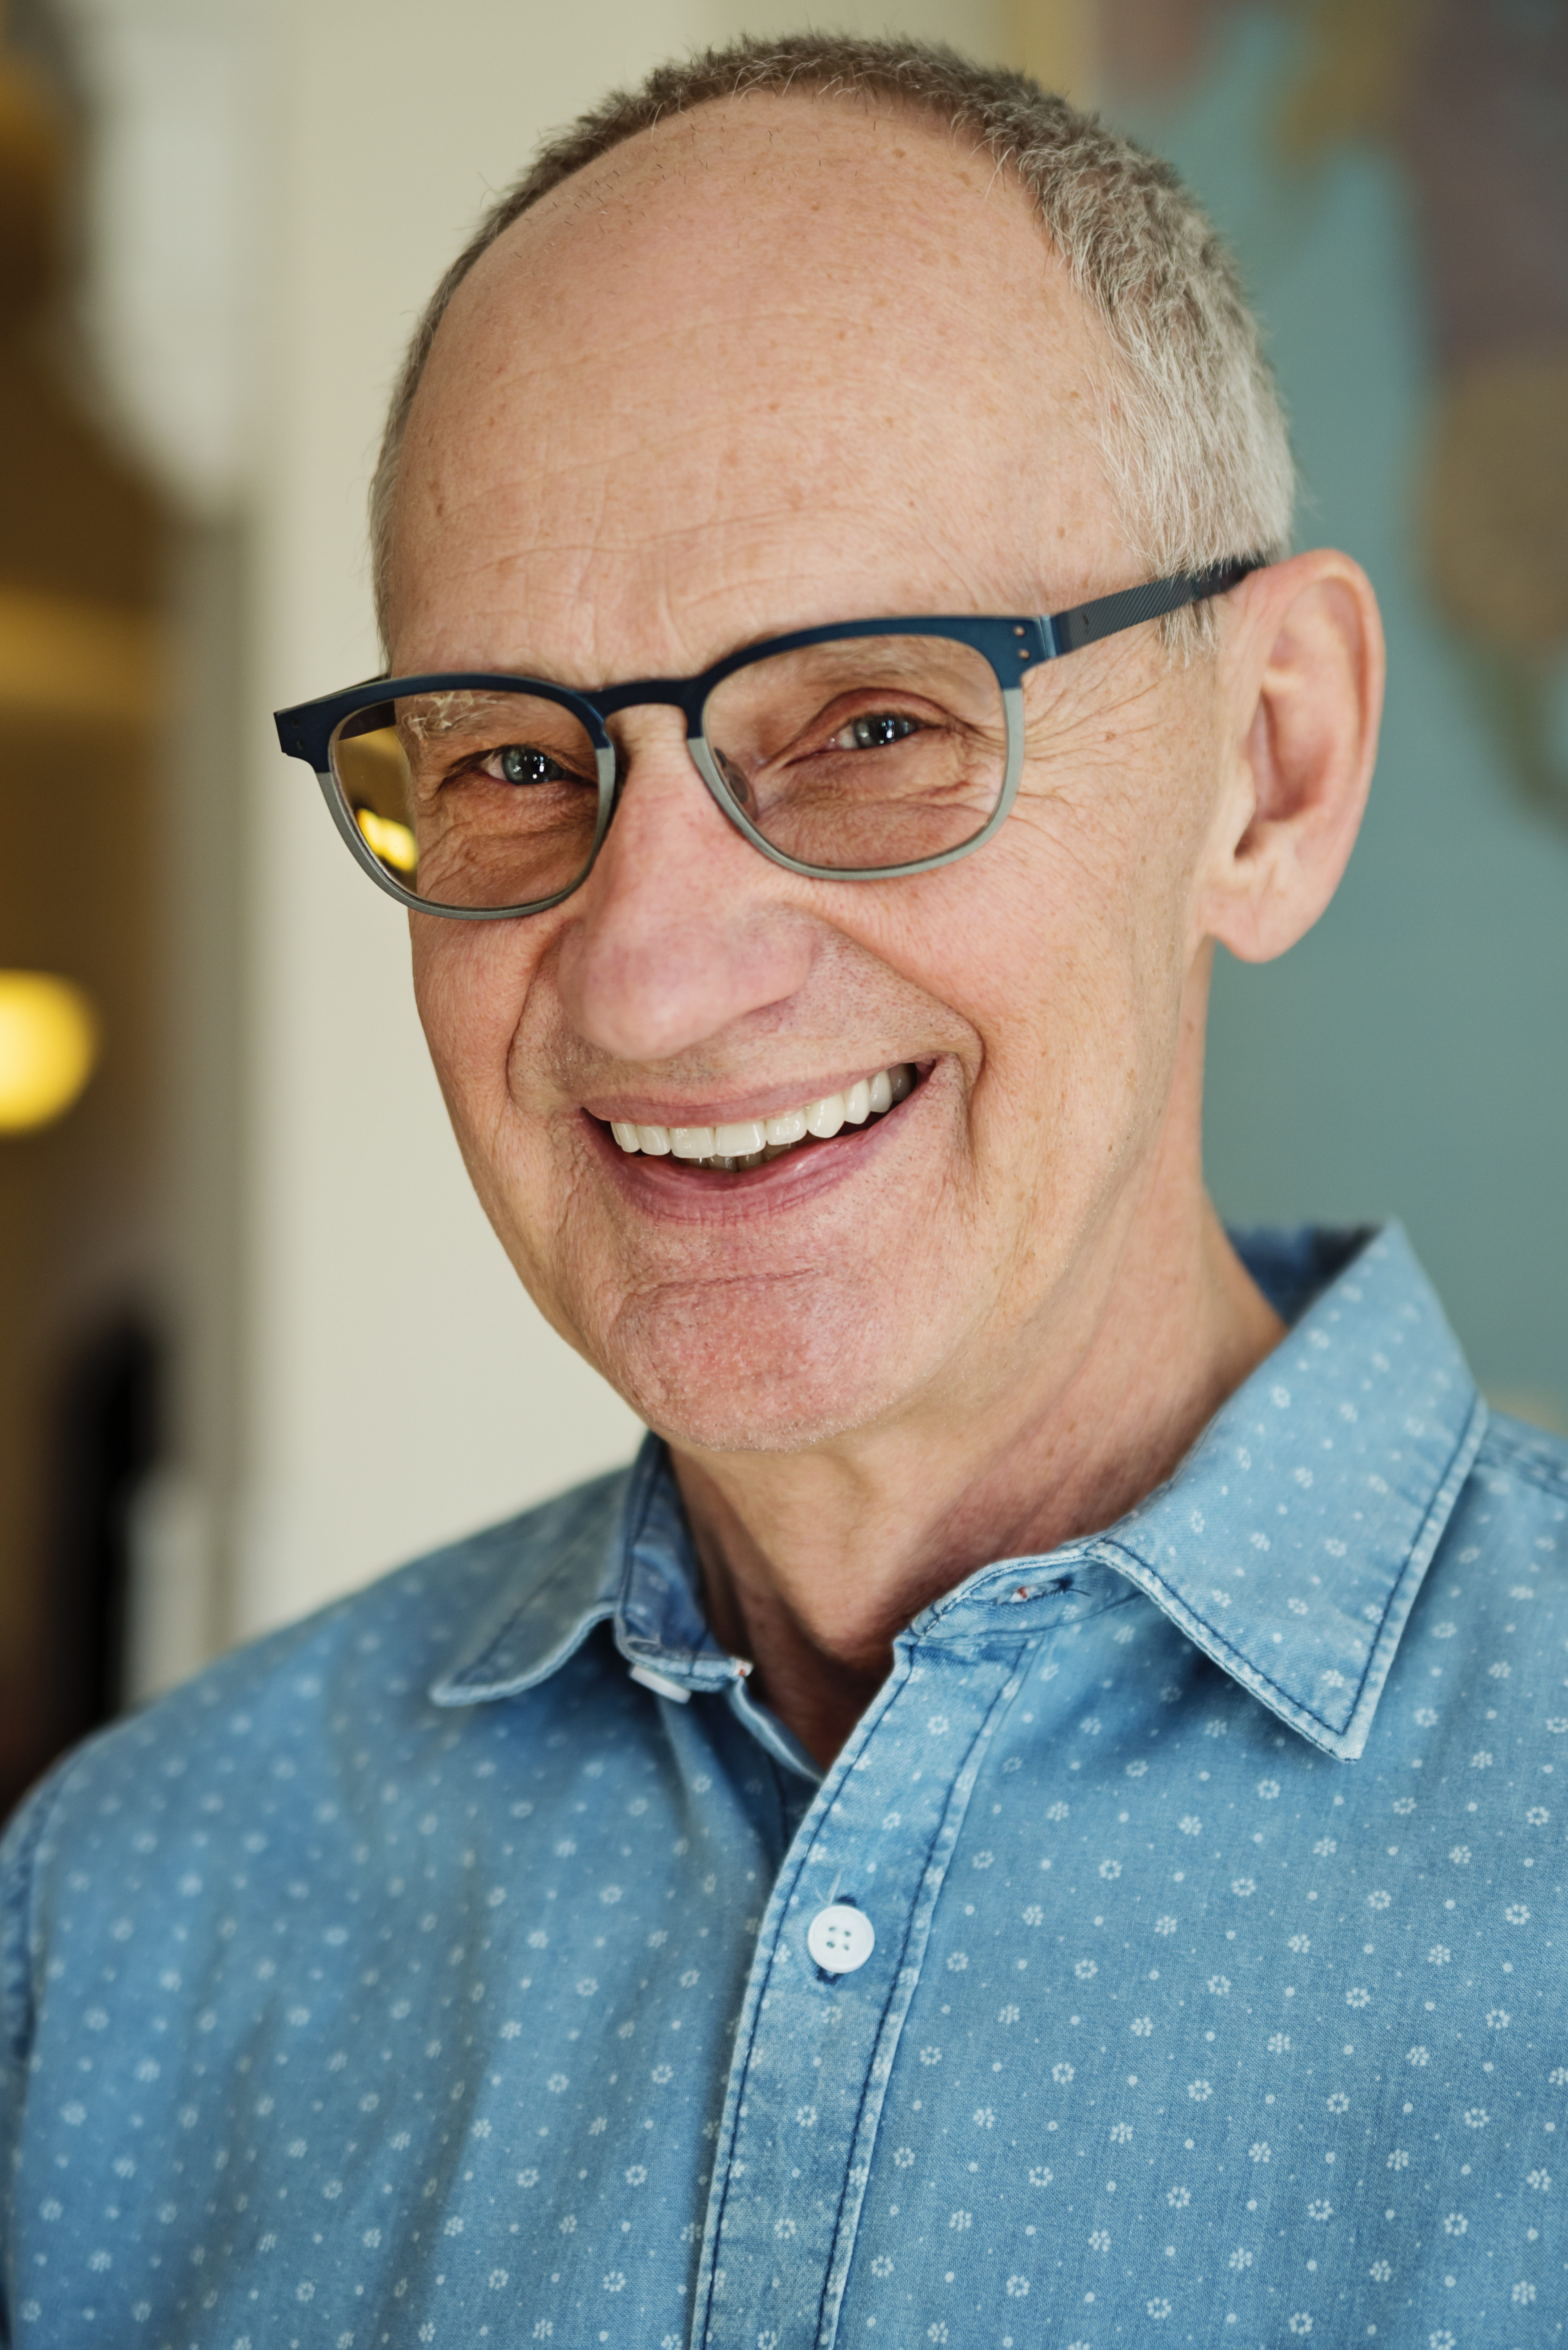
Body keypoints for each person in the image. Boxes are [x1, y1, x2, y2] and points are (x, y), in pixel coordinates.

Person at [4, 33, 1564, 2349]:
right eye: (517, 762)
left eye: (867, 725)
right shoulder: (126, 1916)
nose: (641, 969)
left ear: (1274, 761)